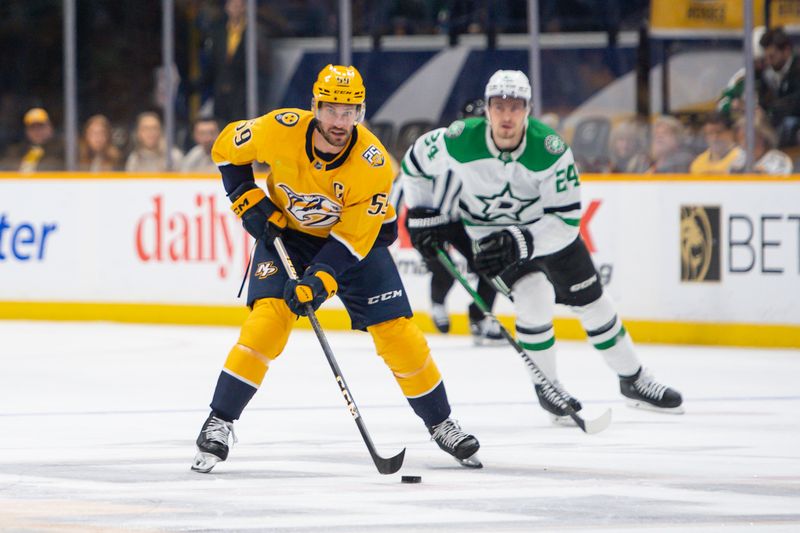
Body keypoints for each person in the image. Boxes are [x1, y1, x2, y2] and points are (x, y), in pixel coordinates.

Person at [191, 64, 481, 473]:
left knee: (398, 333)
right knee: (267, 323)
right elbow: (225, 148)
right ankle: (219, 421)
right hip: (288, 236)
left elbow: (352, 239)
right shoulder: (279, 128)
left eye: (351, 112)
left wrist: (320, 280)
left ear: (361, 113)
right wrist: (244, 197)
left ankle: (441, 422)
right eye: (332, 110)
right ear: (315, 107)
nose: (341, 121)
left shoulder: (374, 164)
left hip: (356, 244)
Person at [401, 70, 683, 425]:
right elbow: (413, 164)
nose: (507, 115)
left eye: (515, 106)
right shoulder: (458, 139)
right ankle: (548, 388)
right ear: (486, 109)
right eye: (499, 105)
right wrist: (422, 211)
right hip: (490, 238)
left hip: (546, 232)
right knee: (534, 296)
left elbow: (566, 221)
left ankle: (634, 380)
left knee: (594, 304)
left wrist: (523, 240)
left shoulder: (550, 149)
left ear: (528, 109)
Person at [397, 97, 502, 344]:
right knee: (445, 271)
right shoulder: (444, 144)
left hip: (457, 220)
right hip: (426, 219)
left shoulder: (492, 152)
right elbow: (407, 176)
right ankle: (437, 303)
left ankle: (480, 319)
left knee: (491, 267)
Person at [8, 107, 64, 172]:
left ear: (50, 127)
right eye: (32, 127)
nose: (37, 131)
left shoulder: (63, 148)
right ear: (26, 131)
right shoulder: (16, 150)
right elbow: (7, 165)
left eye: (41, 127)